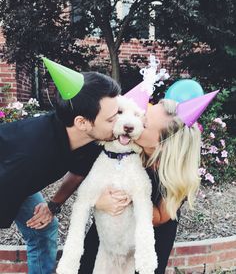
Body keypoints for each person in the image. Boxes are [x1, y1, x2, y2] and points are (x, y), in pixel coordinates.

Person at [29, 96, 206, 274]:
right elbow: (80, 174)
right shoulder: (117, 145)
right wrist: (97, 200)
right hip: (107, 231)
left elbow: (160, 218)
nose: (135, 121)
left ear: (162, 143)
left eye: (144, 124)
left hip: (144, 240)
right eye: (142, 114)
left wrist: (129, 194)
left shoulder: (176, 175)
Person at [0, 65, 121, 274]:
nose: (120, 122)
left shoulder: (92, 140)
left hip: (18, 179)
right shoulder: (30, 156)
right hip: (8, 178)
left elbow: (77, 173)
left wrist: (53, 206)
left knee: (44, 229)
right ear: (82, 122)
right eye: (112, 119)